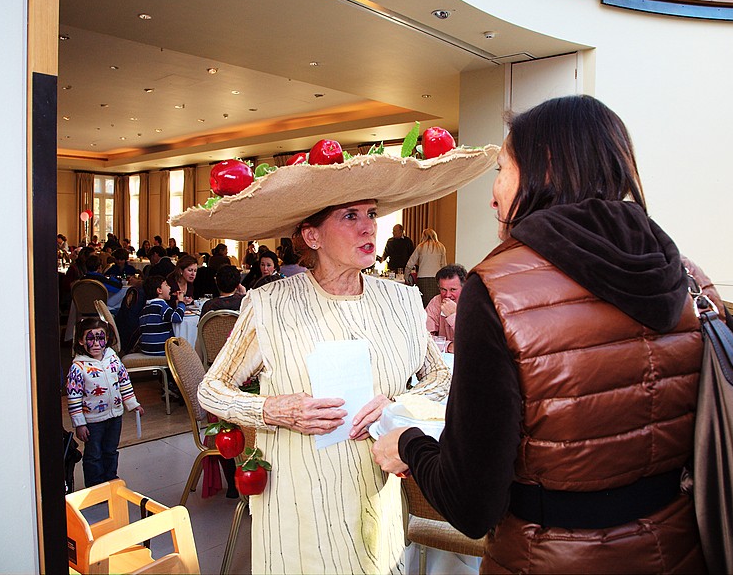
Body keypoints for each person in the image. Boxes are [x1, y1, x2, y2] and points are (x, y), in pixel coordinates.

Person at [372, 95, 733, 573]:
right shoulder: (692, 281)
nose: (493, 194)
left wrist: (408, 444)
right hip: (679, 549)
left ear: (541, 169)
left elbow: (471, 504)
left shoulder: (497, 291)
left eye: (501, 169)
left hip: (547, 556)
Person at [173, 142, 497, 574]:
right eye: (350, 216)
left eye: (372, 215)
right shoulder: (269, 304)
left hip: (377, 490)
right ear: (312, 236)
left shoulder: (401, 300)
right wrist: (274, 409)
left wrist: (399, 405)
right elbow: (212, 391)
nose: (369, 229)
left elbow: (441, 378)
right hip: (296, 496)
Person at [66, 316, 144, 487]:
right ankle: (95, 486)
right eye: (90, 338)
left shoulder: (113, 359)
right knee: (93, 454)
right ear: (80, 340)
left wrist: (132, 403)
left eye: (100, 338)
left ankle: (110, 479)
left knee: (111, 450)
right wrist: (79, 423)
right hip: (92, 421)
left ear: (107, 339)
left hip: (115, 416)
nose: (95, 343)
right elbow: (74, 397)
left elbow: (124, 381)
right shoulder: (78, 368)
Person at [424, 264, 467, 352]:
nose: (447, 295)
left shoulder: (474, 304)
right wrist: (448, 346)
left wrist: (453, 315)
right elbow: (423, 337)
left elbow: (474, 342)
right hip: (443, 358)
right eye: (443, 289)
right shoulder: (436, 302)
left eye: (453, 290)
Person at [138, 275, 185, 356]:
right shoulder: (161, 306)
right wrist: (181, 302)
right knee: (184, 350)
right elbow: (177, 317)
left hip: (146, 349)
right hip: (161, 350)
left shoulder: (145, 309)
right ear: (159, 290)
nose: (170, 287)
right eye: (166, 285)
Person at [405, 227, 447, 307]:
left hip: (423, 278)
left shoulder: (420, 246)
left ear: (423, 236)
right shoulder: (441, 247)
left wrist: (406, 277)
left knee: (424, 304)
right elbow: (444, 266)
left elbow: (410, 264)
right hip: (436, 279)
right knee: (436, 305)